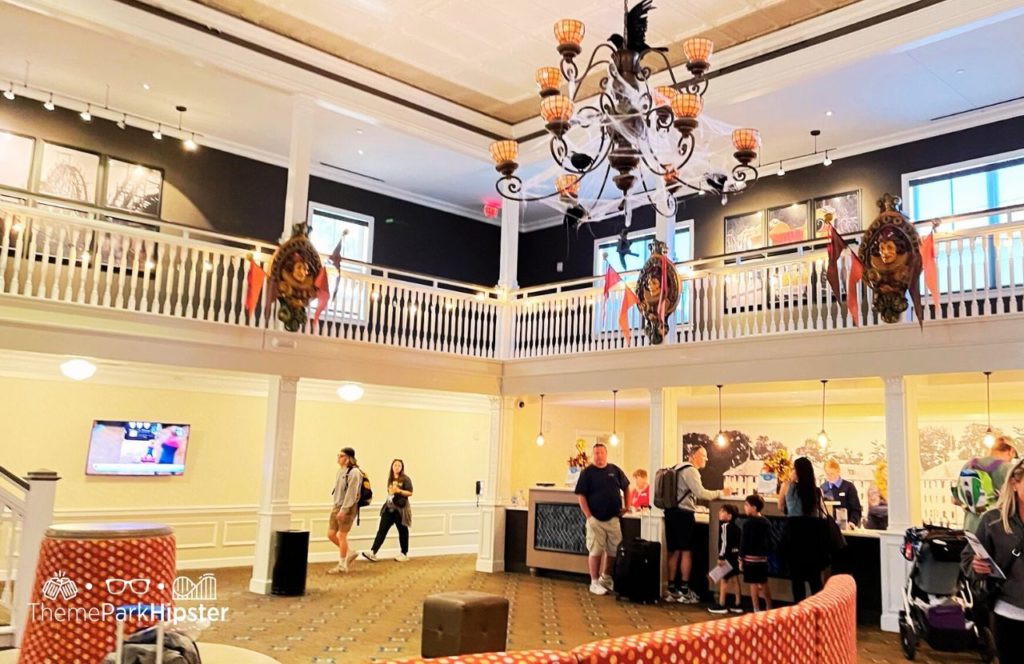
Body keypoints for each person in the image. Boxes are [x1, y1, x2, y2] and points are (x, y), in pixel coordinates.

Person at [963, 457, 1024, 664]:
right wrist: (976, 565)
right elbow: (968, 557)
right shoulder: (993, 520)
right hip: (1008, 614)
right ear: (1015, 483)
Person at [665, 446, 732, 604]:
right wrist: (721, 492)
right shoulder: (691, 471)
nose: (706, 459)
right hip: (683, 515)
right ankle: (685, 590)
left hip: (671, 513)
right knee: (686, 551)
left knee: (674, 551)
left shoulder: (676, 467)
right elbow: (701, 493)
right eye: (703, 455)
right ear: (693, 456)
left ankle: (671, 589)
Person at [575, 443, 631, 596]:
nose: (599, 456)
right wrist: (589, 516)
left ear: (606, 454)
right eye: (596, 453)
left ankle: (606, 577)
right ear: (593, 455)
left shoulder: (615, 470)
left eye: (601, 453)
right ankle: (594, 582)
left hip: (613, 519)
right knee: (596, 550)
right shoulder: (587, 473)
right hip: (595, 519)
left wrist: (628, 505)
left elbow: (626, 486)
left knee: (614, 550)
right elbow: (581, 496)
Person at [778, 456, 828, 601]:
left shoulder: (787, 486)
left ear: (797, 471)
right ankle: (818, 611)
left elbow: (781, 507)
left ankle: (799, 612)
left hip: (795, 533)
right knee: (814, 578)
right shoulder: (817, 490)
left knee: (797, 577)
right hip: (813, 535)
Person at [957, 437, 1018, 533]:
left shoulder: (969, 465)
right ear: (1011, 451)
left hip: (971, 528)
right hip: (996, 529)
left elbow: (957, 498)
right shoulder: (1008, 468)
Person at [362, 459, 413, 563]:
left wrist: (399, 491)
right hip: (389, 509)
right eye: (395, 465)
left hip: (400, 510)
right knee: (382, 530)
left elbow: (410, 492)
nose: (397, 467)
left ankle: (404, 553)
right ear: (392, 467)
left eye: (399, 465)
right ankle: (373, 552)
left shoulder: (406, 479)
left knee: (403, 531)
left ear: (402, 467)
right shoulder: (390, 478)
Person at [327, 447, 363, 574]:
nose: (338, 458)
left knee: (341, 535)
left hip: (347, 508)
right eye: (338, 455)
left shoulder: (354, 472)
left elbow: (351, 494)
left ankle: (342, 565)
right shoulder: (340, 471)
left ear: (348, 458)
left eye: (341, 456)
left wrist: (344, 510)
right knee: (331, 534)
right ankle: (349, 552)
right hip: (337, 506)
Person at [740, 494, 773, 612]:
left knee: (753, 584)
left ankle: (756, 608)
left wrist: (740, 559)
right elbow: (770, 541)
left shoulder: (747, 524)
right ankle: (769, 606)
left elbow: (744, 542)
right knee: (764, 583)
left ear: (754, 507)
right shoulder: (766, 522)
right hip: (762, 559)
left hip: (749, 558)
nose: (745, 507)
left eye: (746, 505)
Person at [708, 503, 743, 614]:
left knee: (724, 580)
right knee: (735, 579)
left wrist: (721, 556)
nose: (720, 513)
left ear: (729, 516)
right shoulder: (737, 528)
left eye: (723, 511)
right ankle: (738, 603)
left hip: (727, 557)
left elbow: (724, 543)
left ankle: (722, 603)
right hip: (735, 556)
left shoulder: (725, 527)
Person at [820, 459, 862, 528]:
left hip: (846, 526)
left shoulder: (849, 487)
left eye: (832, 474)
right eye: (827, 474)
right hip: (828, 527)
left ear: (838, 471)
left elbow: (856, 509)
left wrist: (852, 522)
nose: (830, 476)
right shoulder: (823, 488)